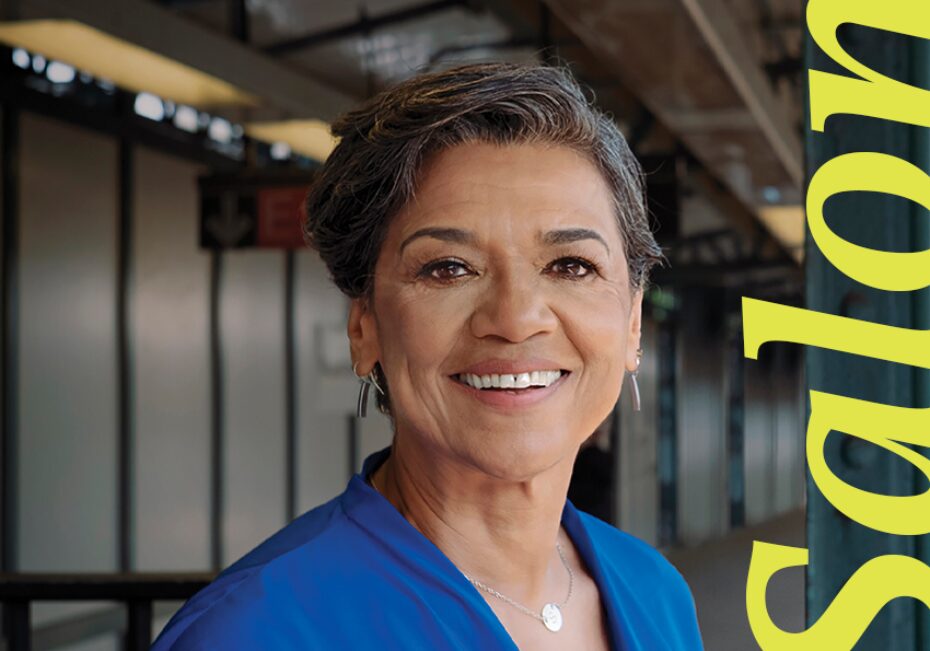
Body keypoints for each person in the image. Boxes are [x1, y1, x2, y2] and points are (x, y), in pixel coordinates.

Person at [152, 61, 702, 650]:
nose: (515, 319)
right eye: (448, 268)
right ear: (364, 327)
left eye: (572, 266)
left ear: (632, 322)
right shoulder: (256, 633)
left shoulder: (657, 594)